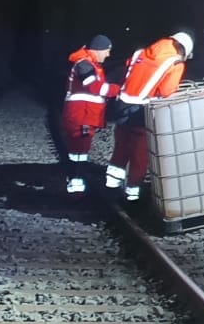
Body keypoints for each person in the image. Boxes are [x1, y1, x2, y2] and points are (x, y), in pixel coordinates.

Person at [105, 29, 193, 201]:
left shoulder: (140, 53)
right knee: (140, 154)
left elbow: (128, 73)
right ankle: (132, 194)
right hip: (141, 111)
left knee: (121, 146)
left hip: (122, 105)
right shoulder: (175, 63)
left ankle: (111, 185)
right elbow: (166, 91)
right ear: (184, 51)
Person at [60, 35, 115, 194]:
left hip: (83, 115)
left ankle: (76, 183)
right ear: (98, 49)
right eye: (107, 50)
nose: (108, 54)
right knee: (79, 151)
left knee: (78, 151)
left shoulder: (88, 64)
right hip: (81, 116)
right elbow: (94, 87)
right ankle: (76, 188)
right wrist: (118, 90)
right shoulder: (84, 65)